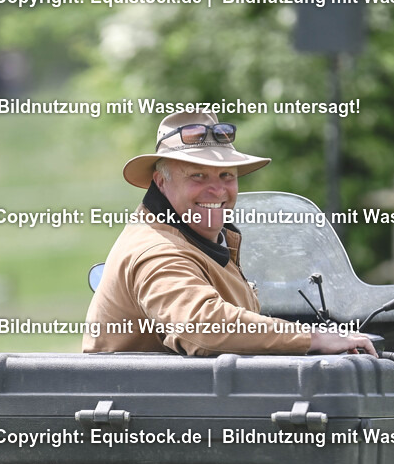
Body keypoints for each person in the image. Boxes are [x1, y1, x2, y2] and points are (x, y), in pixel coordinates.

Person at [82, 110, 376, 357]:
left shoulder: (199, 239)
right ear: (161, 183)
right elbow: (203, 326)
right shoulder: (158, 251)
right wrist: (312, 338)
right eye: (197, 175)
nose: (217, 190)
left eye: (226, 176)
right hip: (147, 423)